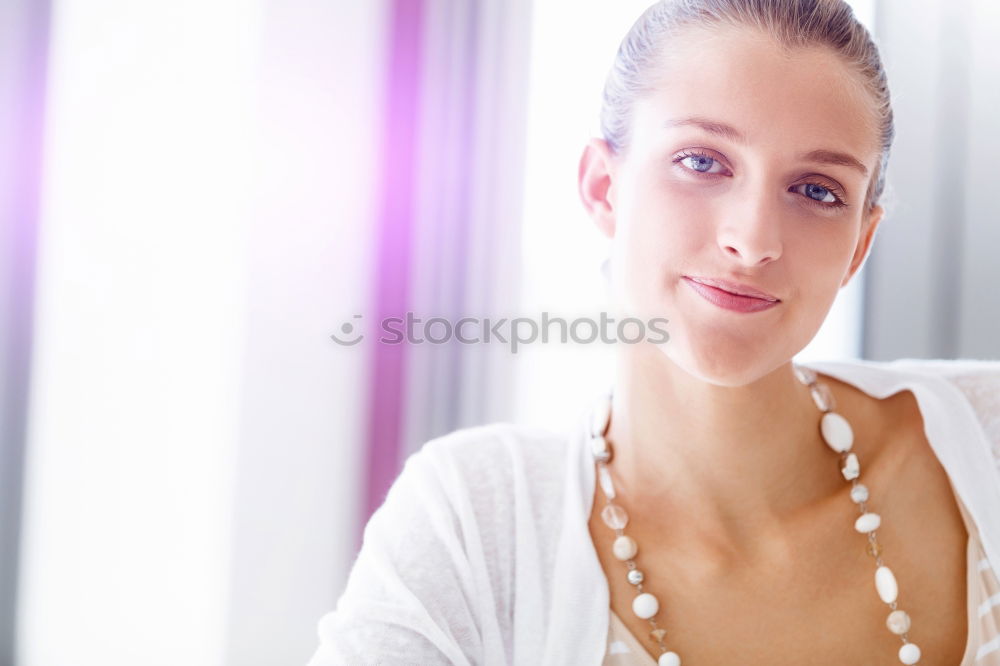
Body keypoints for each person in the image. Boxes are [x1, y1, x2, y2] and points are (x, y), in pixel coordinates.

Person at [307, 1, 1000, 664]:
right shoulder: (474, 522)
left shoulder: (987, 436)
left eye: (817, 190)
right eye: (702, 162)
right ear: (604, 188)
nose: (752, 240)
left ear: (859, 246)